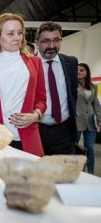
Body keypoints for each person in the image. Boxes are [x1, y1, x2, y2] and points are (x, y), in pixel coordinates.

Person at [0, 13, 46, 156]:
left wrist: (36, 115)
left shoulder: (35, 63)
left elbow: (41, 99)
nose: (17, 37)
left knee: (31, 177)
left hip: (27, 137)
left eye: (20, 33)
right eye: (11, 33)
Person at [35, 21, 78, 155]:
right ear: (37, 43)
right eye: (46, 41)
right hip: (36, 131)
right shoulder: (27, 66)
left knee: (66, 174)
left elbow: (72, 94)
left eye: (56, 40)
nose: (51, 46)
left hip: (64, 132)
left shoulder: (71, 62)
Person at [75, 63, 101, 174]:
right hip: (76, 120)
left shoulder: (93, 86)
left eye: (82, 70)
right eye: (77, 70)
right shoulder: (72, 85)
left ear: (87, 72)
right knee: (74, 146)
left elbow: (96, 105)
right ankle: (75, 170)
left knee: (89, 147)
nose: (79, 72)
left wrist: (100, 121)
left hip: (91, 121)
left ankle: (90, 172)